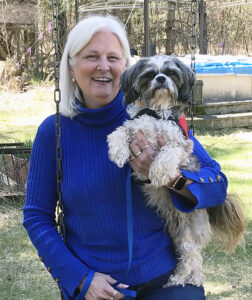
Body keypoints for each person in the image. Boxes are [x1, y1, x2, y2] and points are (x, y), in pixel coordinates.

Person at [23, 15, 228, 300]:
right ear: (71, 66)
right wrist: (79, 278)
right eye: (91, 56)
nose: (103, 66)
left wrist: (174, 179)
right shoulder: (53, 132)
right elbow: (36, 217)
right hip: (95, 286)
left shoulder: (154, 117)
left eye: (113, 57)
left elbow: (217, 186)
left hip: (164, 280)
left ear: (125, 67)